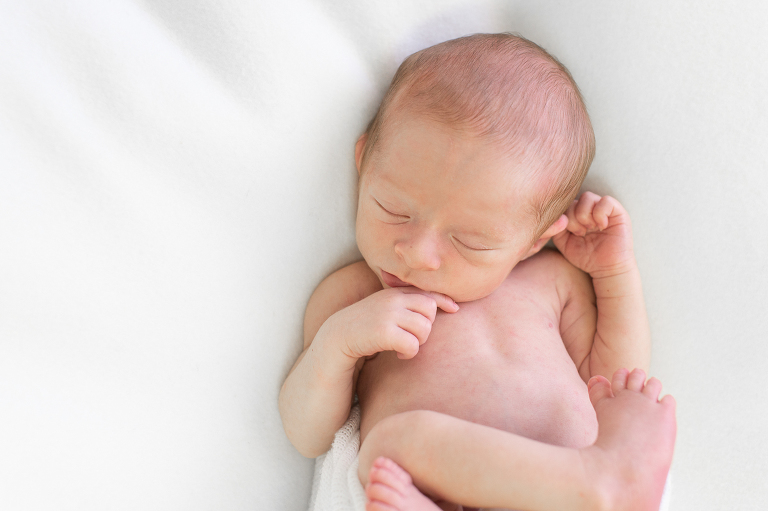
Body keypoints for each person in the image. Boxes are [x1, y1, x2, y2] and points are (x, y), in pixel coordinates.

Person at [279, 33, 676, 511]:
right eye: (394, 210)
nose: (418, 254)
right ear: (364, 163)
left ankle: (598, 478)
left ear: (534, 241)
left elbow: (608, 379)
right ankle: (599, 480)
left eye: (470, 241)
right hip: (437, 493)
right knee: (387, 451)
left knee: (394, 444)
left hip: (563, 487)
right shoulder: (354, 299)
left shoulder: (550, 282)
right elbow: (308, 433)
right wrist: (337, 345)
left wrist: (613, 273)